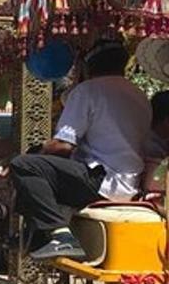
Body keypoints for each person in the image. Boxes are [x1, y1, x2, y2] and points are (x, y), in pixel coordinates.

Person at [9, 39, 151, 260]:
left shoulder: (88, 91)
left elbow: (64, 145)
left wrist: (36, 151)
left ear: (88, 66)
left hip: (102, 180)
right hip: (130, 183)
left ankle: (61, 236)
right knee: (40, 173)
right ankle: (35, 236)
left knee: (23, 165)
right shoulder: (140, 95)